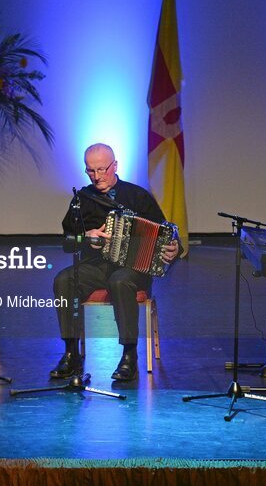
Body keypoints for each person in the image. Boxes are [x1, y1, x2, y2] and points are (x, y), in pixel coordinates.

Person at [50, 143, 179, 382]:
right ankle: (71, 352)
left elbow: (166, 233)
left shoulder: (138, 196)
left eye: (102, 169)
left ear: (115, 166)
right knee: (64, 280)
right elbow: (67, 241)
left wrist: (175, 248)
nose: (97, 177)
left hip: (132, 269)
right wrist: (86, 237)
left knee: (120, 281)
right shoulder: (82, 200)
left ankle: (129, 355)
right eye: (91, 171)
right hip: (95, 266)